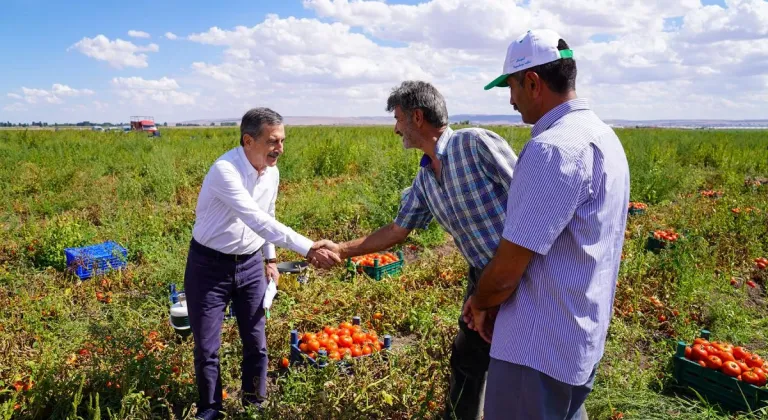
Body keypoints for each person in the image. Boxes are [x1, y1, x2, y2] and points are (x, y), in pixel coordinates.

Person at [315, 80, 518, 420]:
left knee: (518, 361)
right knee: (468, 357)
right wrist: (341, 249)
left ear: (418, 117)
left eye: (398, 118)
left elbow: (530, 196)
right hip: (481, 276)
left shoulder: (475, 144)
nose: (395, 128)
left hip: (521, 268)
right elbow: (396, 231)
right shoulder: (425, 177)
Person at [469, 29, 630, 419]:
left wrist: (479, 302)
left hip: (536, 351)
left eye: (511, 87)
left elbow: (508, 271)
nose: (510, 100)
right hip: (578, 342)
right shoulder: (604, 138)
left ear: (532, 82)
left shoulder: (552, 149)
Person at [184, 107, 340, 420]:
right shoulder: (225, 171)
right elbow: (255, 219)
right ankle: (210, 409)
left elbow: (267, 216)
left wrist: (270, 259)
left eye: (282, 141)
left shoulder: (273, 173)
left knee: (256, 341)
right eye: (272, 141)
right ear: (248, 141)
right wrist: (308, 248)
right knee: (207, 348)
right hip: (209, 267)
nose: (280, 148)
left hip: (251, 265)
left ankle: (254, 405)